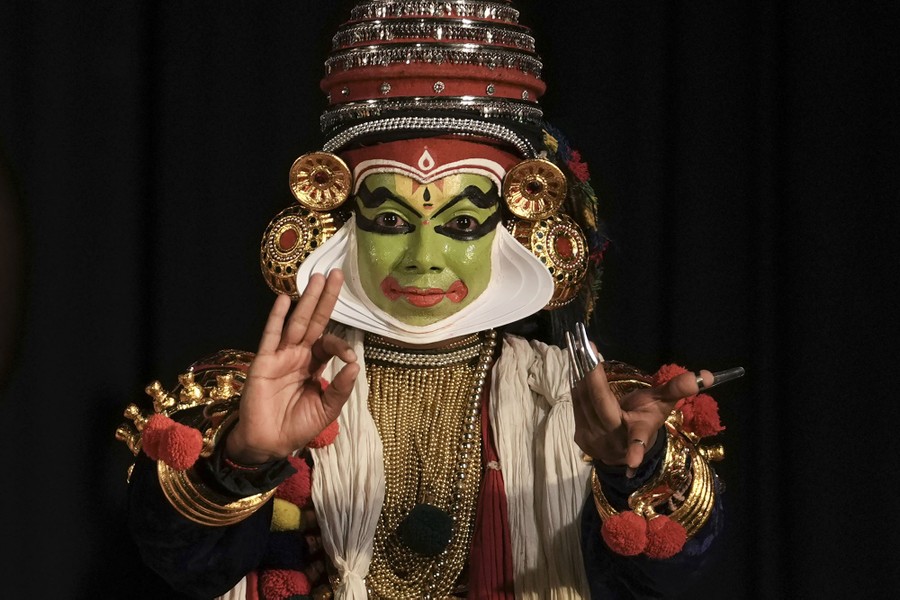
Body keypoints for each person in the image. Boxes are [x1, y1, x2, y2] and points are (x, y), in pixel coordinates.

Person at [119, 2, 731, 598]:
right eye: (389, 217)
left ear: (514, 228)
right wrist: (245, 458)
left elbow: (665, 578)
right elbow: (181, 569)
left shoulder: (585, 407)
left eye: (463, 224)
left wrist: (631, 476)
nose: (423, 257)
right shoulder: (258, 398)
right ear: (340, 220)